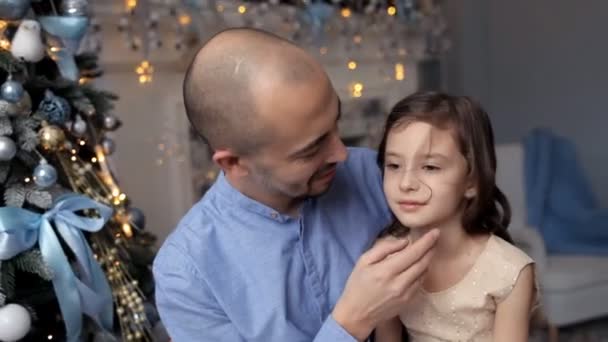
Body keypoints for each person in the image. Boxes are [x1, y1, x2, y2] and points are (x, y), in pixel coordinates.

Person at [152, 28, 439, 341]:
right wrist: (353, 319)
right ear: (233, 163)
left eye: (336, 123)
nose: (341, 154)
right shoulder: (187, 274)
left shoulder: (378, 174)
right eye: (311, 149)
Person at [373, 92, 538, 342]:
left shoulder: (509, 272)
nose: (405, 183)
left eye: (430, 167)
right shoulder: (387, 257)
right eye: (394, 165)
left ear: (471, 181)